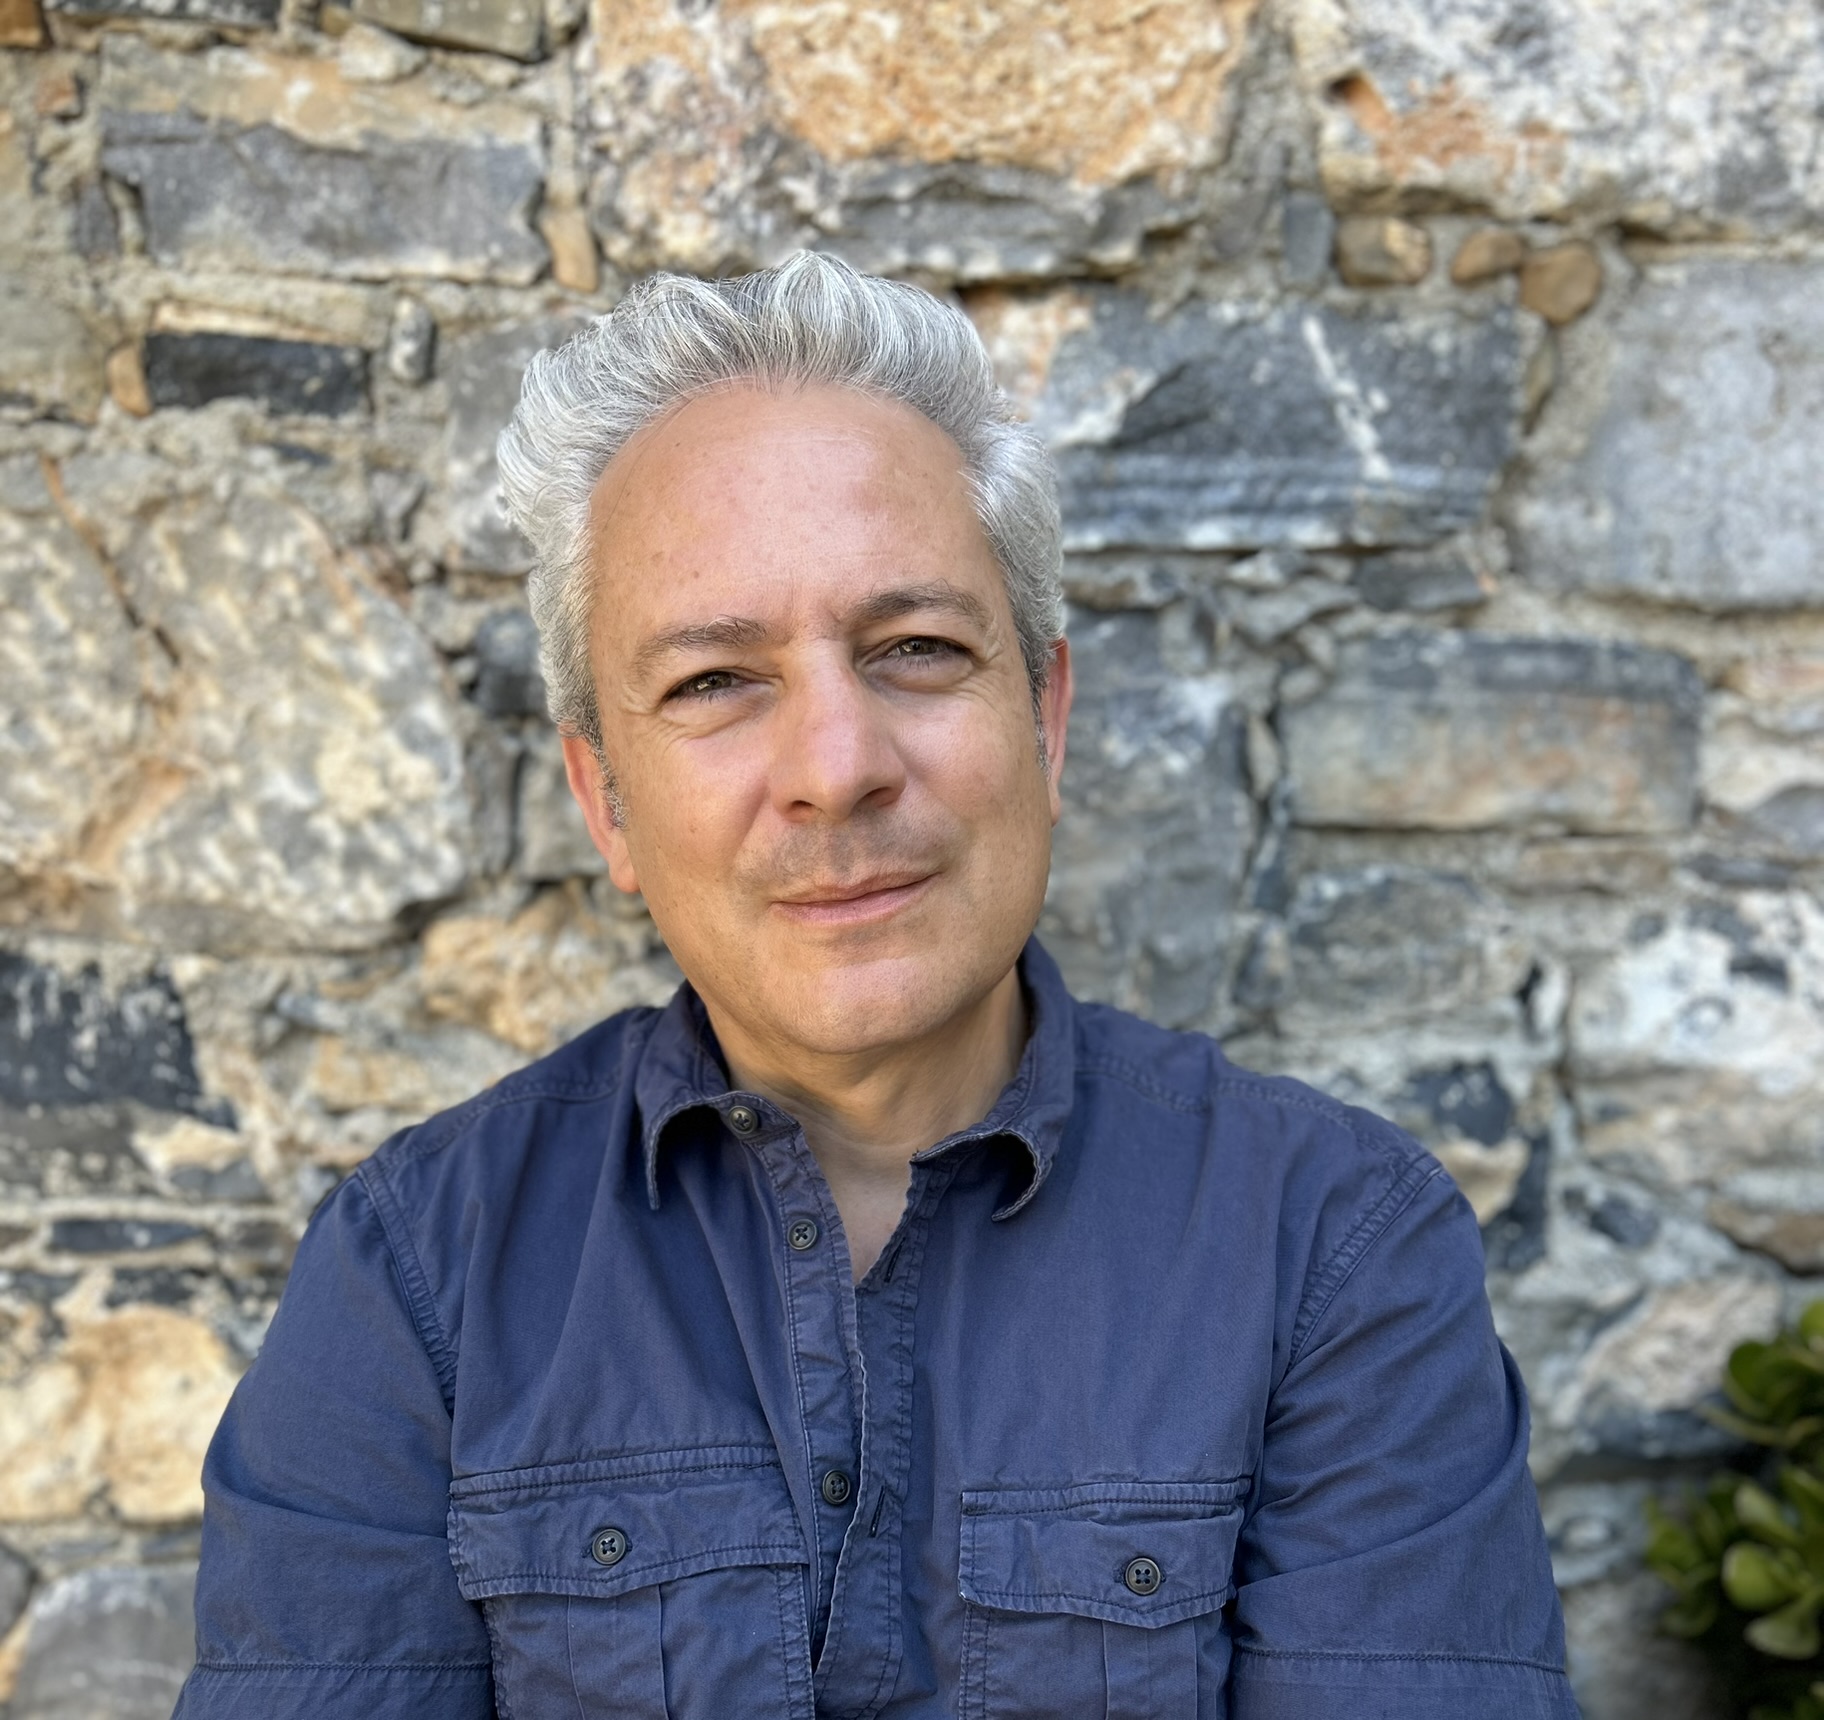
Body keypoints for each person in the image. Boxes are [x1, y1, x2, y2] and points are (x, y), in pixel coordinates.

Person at [174, 253, 1579, 1719]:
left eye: (915, 649)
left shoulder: (1334, 1248)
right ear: (606, 802)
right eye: (715, 681)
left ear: (1044, 719)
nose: (837, 766)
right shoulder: (421, 1275)